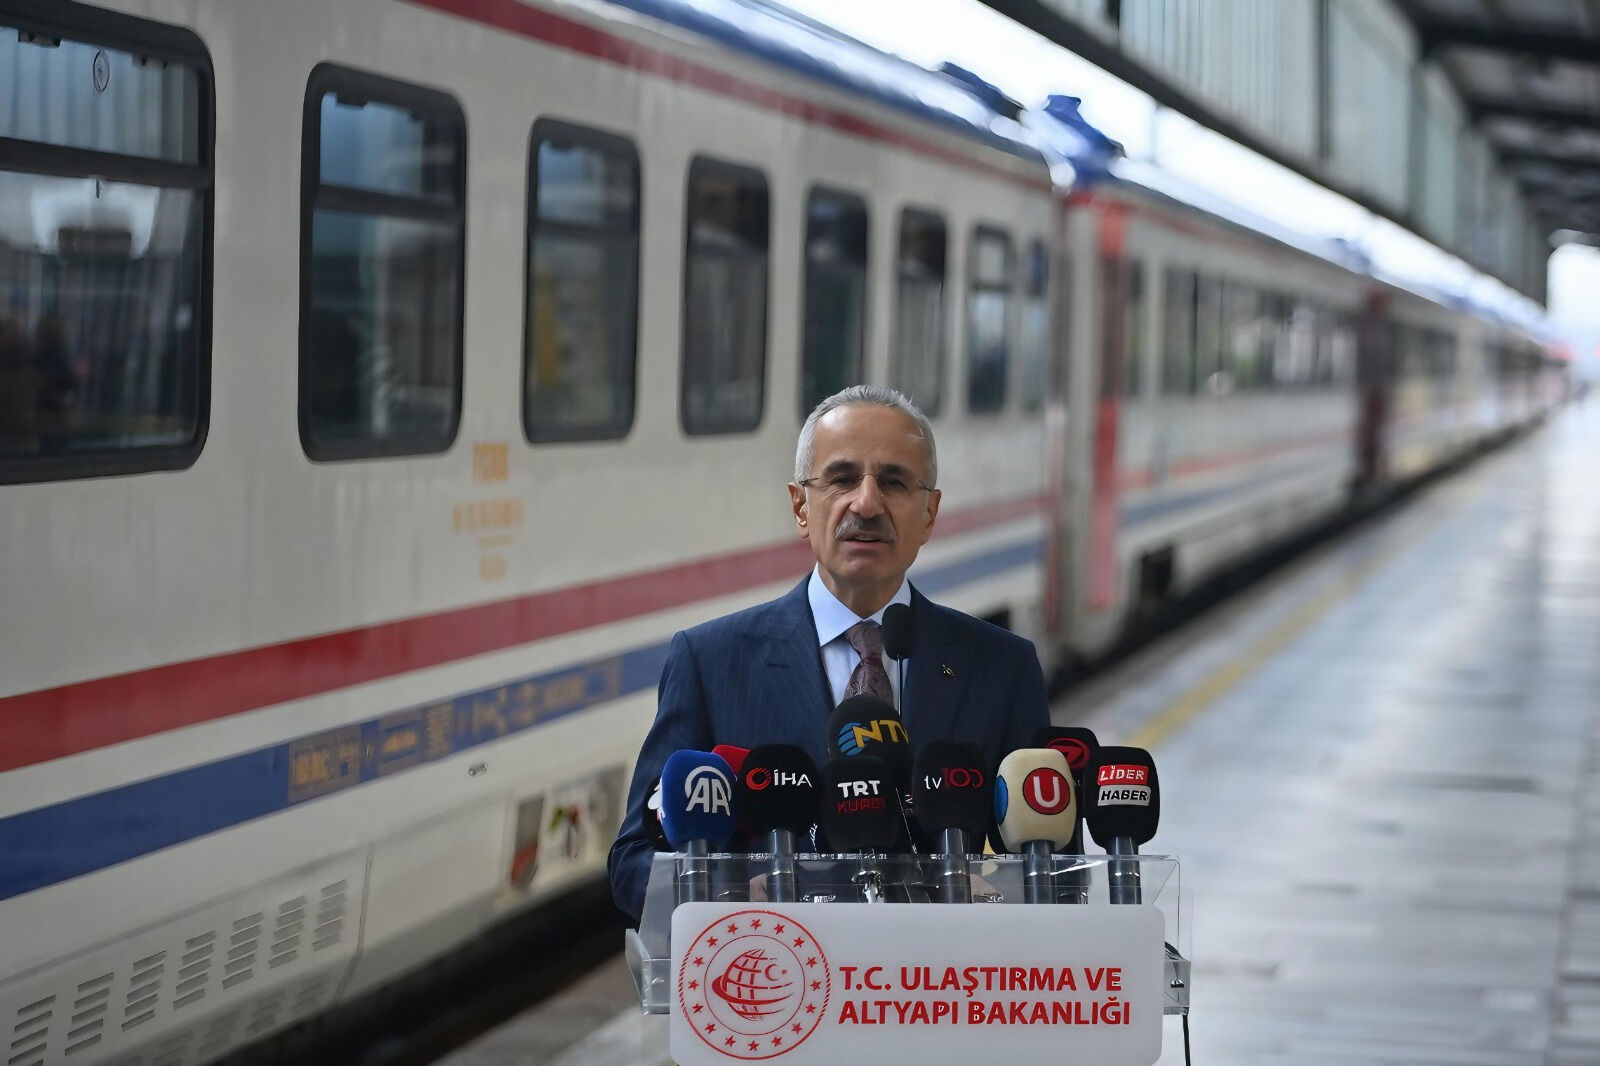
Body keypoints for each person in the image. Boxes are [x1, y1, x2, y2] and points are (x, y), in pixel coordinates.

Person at [606, 385, 1051, 920]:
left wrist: (997, 894)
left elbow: (1051, 860)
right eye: (841, 479)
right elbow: (634, 862)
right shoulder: (710, 662)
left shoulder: (1001, 667)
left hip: (940, 996)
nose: (866, 503)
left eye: (894, 482)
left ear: (930, 514)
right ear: (800, 505)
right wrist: (727, 904)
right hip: (779, 981)